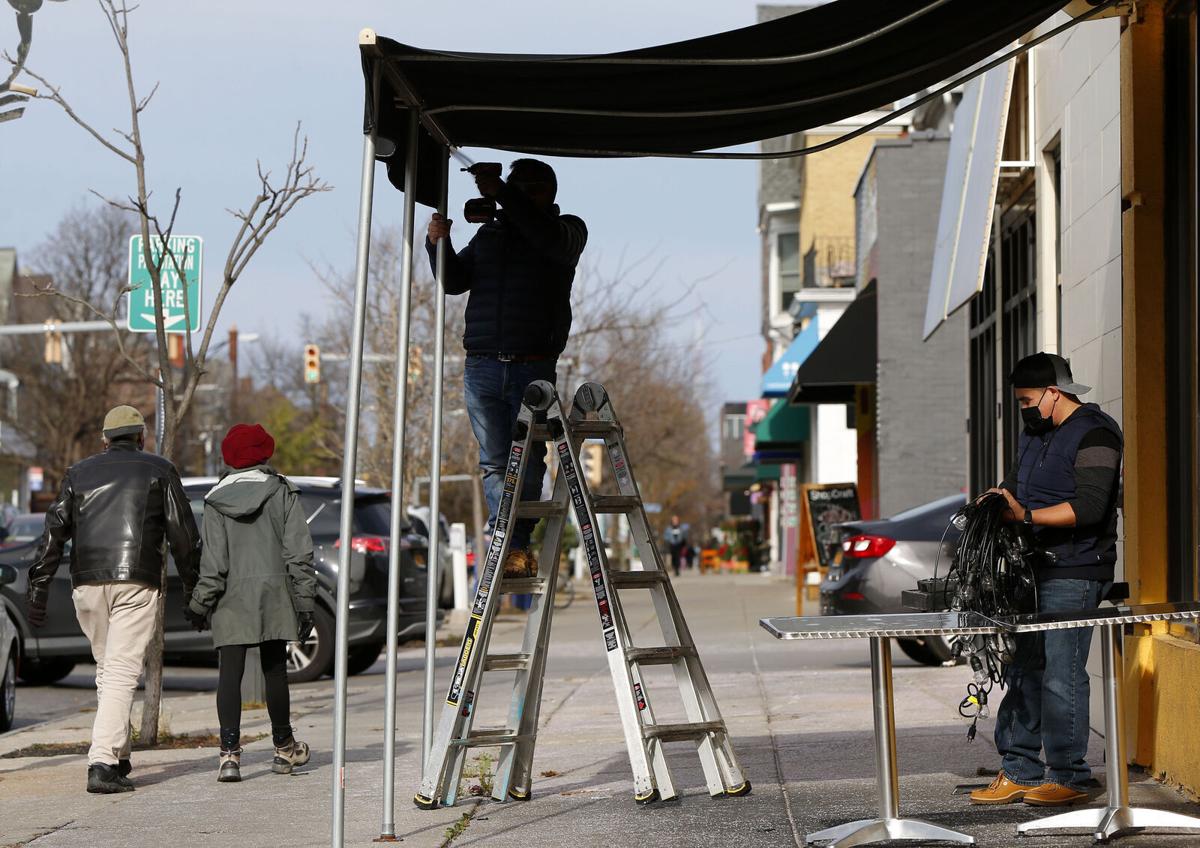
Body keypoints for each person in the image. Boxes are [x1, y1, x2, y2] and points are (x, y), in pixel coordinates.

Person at [969, 353, 1123, 807]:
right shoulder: (1035, 432)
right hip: (1031, 570)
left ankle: (1070, 775)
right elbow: (1017, 483)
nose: (1024, 409)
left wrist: (1028, 515)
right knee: (1024, 668)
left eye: (1028, 400)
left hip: (1075, 570)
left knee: (1062, 673)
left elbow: (1092, 507)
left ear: (1055, 393)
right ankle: (1018, 769)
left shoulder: (1097, 432)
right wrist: (998, 499)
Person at [26, 405, 201, 794]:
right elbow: (184, 538)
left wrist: (38, 588)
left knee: (109, 670)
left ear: (105, 439)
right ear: (141, 437)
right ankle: (102, 764)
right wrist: (195, 591)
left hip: (86, 584)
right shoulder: (159, 469)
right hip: (135, 582)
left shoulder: (78, 473)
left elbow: (53, 533)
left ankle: (119, 757)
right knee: (121, 672)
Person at [427, 158, 587, 579]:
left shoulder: (567, 230)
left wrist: (502, 194)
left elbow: (544, 236)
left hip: (531, 366)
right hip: (481, 364)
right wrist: (437, 244)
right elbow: (453, 281)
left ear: (544, 193)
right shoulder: (491, 234)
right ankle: (510, 545)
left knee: (528, 458)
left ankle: (515, 543)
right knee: (495, 461)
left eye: (520, 190)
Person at [185, 424, 316, 783]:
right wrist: (304, 601)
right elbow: (298, 552)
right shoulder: (281, 491)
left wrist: (200, 603)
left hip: (230, 599)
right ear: (264, 453)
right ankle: (284, 747)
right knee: (275, 669)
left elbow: (214, 564)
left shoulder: (214, 501)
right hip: (274, 593)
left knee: (230, 674)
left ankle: (229, 756)